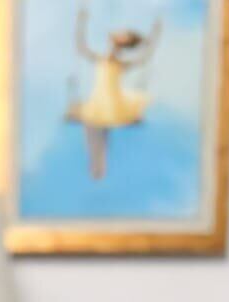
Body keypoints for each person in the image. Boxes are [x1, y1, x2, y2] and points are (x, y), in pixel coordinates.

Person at [66, 7, 162, 180]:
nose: (116, 34)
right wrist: (81, 22)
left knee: (97, 130)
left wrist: (154, 36)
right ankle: (98, 165)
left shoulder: (116, 63)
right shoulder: (104, 59)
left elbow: (144, 58)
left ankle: (99, 165)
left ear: (122, 42)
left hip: (112, 103)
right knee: (95, 131)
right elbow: (81, 47)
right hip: (100, 102)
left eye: (122, 35)